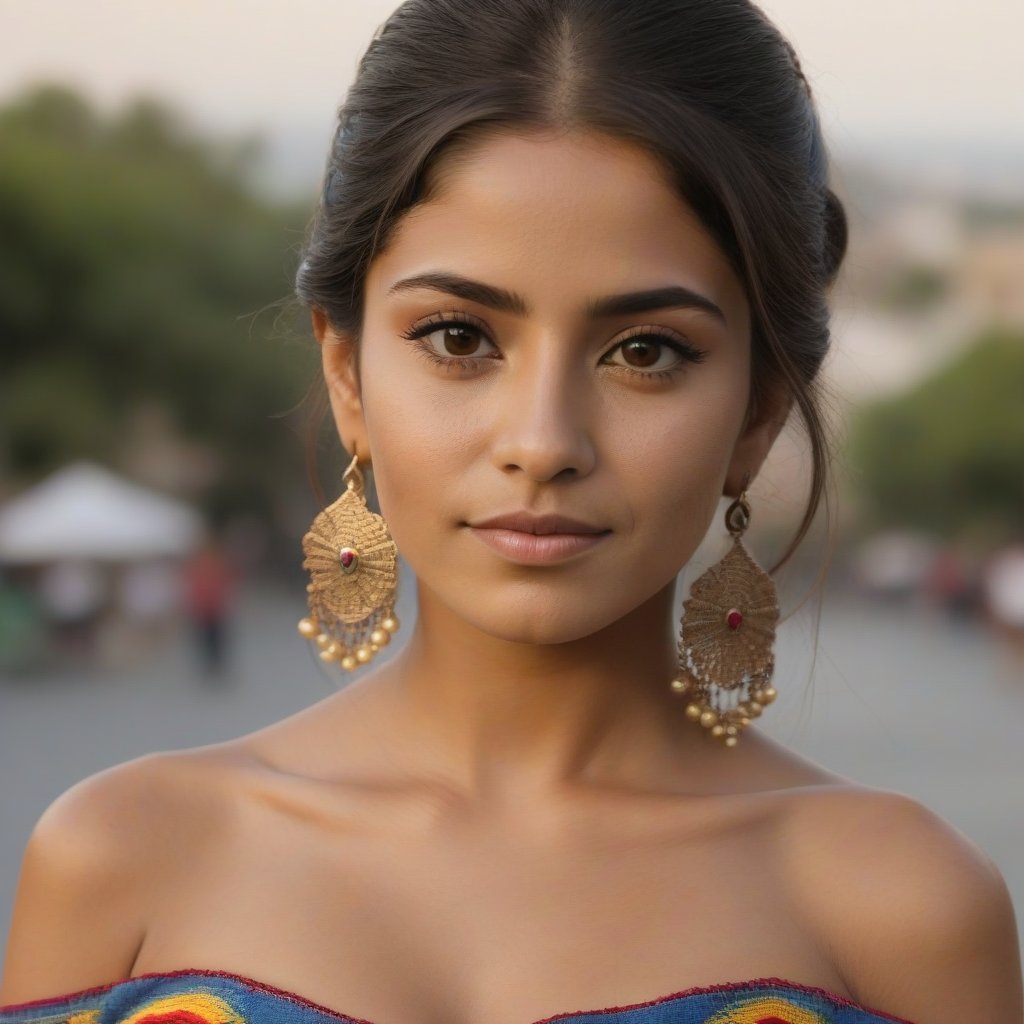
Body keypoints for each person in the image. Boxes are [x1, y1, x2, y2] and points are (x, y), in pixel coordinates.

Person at [1, 2, 1021, 1022]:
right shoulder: (122, 860)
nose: (541, 441)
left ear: (758, 408)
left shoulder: (901, 911)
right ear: (347, 372)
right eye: (457, 337)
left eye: (646, 351)